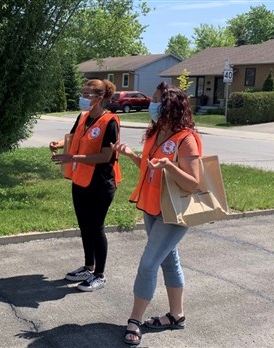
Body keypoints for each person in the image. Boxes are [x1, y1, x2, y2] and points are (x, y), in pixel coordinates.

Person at [112, 82, 201, 346]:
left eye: (157, 100)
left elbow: (193, 183)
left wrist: (169, 167)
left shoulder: (186, 139)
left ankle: (135, 320)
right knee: (168, 259)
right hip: (152, 207)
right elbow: (150, 168)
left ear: (170, 105)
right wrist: (130, 155)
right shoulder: (156, 132)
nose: (151, 104)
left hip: (173, 212)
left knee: (148, 263)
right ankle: (177, 315)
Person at [49, 79, 121, 292]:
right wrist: (59, 144)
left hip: (101, 182)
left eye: (86, 94)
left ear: (99, 98)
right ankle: (88, 266)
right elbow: (73, 138)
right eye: (82, 93)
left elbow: (107, 156)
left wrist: (74, 158)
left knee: (96, 227)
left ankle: (99, 274)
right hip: (81, 179)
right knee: (84, 225)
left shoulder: (110, 121)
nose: (82, 97)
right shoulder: (83, 117)